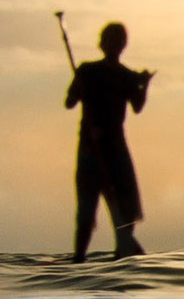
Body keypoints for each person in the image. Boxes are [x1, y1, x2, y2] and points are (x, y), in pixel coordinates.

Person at [65, 22, 153, 261]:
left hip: (113, 149)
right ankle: (81, 257)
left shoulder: (124, 76)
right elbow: (70, 102)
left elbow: (136, 106)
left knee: (124, 208)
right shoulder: (88, 71)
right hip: (92, 149)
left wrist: (144, 85)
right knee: (88, 210)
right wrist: (80, 88)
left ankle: (115, 253)